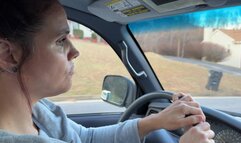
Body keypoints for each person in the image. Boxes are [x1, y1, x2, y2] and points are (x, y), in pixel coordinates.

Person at [0, 0, 215, 143]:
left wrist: (157, 121)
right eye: (61, 40)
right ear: (8, 54)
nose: (74, 52)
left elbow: (85, 139)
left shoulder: (38, 110)